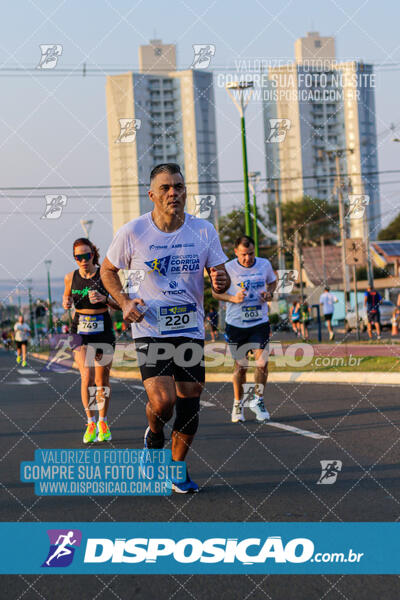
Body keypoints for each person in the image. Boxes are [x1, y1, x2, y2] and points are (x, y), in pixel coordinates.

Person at [101, 163, 229, 493]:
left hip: (189, 328)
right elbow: (108, 271)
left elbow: (220, 278)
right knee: (162, 403)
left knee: (190, 399)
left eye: (179, 187)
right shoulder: (133, 232)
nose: (174, 193)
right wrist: (125, 302)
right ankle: (154, 435)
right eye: (166, 188)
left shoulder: (204, 230)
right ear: (152, 195)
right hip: (151, 328)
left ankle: (176, 468)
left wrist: (222, 279)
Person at [212, 235, 277, 424]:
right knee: (241, 367)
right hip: (236, 324)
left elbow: (272, 281)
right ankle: (238, 404)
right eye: (243, 255)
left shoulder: (264, 264)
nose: (247, 258)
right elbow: (216, 293)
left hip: (259, 321)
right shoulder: (228, 268)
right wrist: (233, 299)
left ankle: (258, 400)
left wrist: (269, 293)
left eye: (250, 254)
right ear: (235, 253)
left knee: (262, 363)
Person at [63, 238, 120, 444]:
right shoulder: (70, 277)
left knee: (101, 380)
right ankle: (90, 422)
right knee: (86, 376)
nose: (83, 260)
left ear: (93, 254)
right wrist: (66, 302)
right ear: (75, 258)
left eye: (86, 255)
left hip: (103, 330)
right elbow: (66, 299)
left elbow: (120, 304)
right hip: (80, 331)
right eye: (78, 257)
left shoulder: (105, 276)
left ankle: (103, 422)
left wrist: (105, 299)